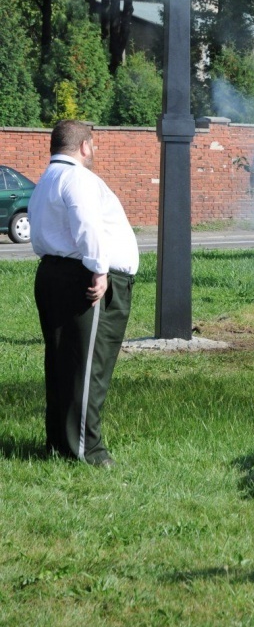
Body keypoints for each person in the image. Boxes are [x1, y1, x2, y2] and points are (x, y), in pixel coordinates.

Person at [28, 119, 139, 467]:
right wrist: (99, 269)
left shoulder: (46, 180)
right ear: (85, 146)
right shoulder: (77, 178)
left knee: (62, 363)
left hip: (55, 272)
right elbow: (87, 223)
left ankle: (60, 444)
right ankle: (87, 451)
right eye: (94, 144)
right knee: (89, 367)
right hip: (86, 278)